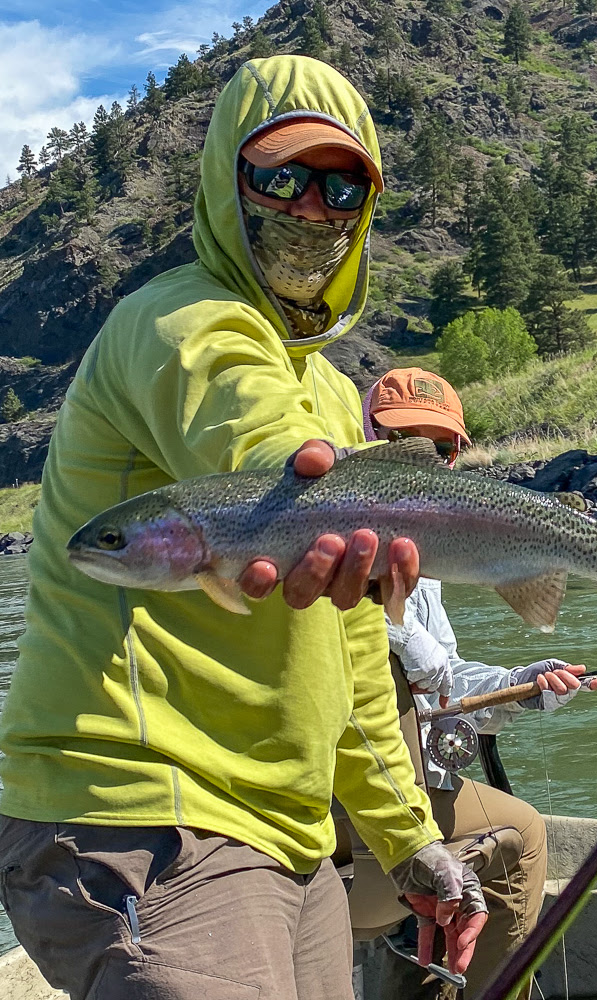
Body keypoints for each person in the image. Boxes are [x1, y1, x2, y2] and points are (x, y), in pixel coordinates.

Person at [0, 59, 486, 1000]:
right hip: (144, 817)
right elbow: (250, 418)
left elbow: (350, 651)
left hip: (293, 835)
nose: (311, 209)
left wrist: (409, 838)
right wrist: (308, 486)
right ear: (229, 181)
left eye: (342, 185)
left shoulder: (343, 394)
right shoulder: (175, 322)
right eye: (280, 177)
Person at [355, 367, 597, 998]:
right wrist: (425, 658)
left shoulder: (431, 561)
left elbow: (448, 688)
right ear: (364, 441)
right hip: (356, 810)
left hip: (403, 791)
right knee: (522, 833)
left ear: (458, 456)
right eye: (400, 444)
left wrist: (525, 683)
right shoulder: (343, 540)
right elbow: (419, 664)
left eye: (438, 449)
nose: (422, 462)